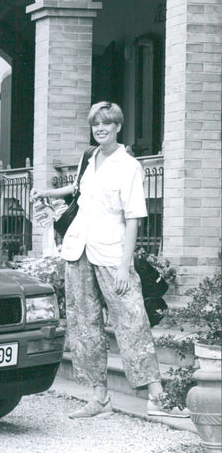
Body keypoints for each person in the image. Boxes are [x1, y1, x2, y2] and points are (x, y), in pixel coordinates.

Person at [31, 101, 188, 419]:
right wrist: (50, 192)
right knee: (84, 326)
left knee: (132, 322)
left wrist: (123, 265)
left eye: (107, 123)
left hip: (112, 254)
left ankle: (157, 397)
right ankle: (99, 398)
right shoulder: (89, 157)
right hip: (78, 251)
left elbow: (133, 219)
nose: (100, 128)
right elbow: (79, 190)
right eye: (95, 124)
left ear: (118, 126)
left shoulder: (128, 166)